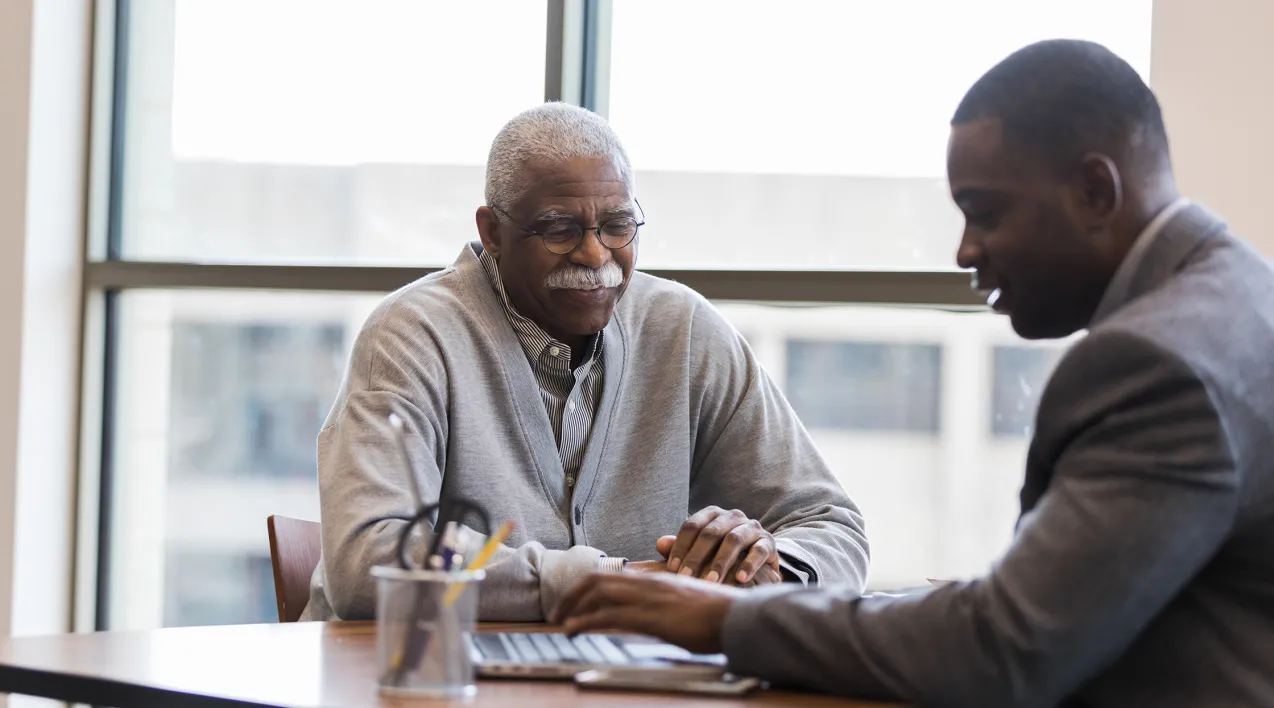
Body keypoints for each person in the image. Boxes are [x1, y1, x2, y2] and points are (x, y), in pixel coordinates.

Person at [553, 39, 1274, 707]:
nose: (965, 252)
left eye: (985, 213)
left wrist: (730, 620)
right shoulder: (1242, 297)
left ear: (1094, 190)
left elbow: (1004, 651)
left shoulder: (1156, 366)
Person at [300, 102, 870, 622]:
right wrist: (608, 582)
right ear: (493, 231)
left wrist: (759, 567)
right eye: (560, 229)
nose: (596, 254)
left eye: (618, 225)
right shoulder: (411, 335)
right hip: (406, 678)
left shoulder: (684, 330)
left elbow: (831, 525)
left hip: (614, 682)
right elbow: (368, 561)